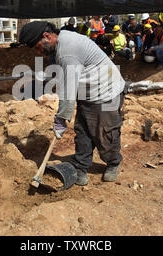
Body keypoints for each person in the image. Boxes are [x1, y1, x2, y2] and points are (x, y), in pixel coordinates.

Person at [19, 21, 127, 186]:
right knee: (83, 131)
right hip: (87, 91)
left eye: (37, 47)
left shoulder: (67, 51)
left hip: (107, 91)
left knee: (105, 132)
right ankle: (80, 166)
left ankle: (113, 163)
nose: (38, 52)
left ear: (46, 36)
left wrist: (61, 117)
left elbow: (68, 90)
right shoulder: (59, 45)